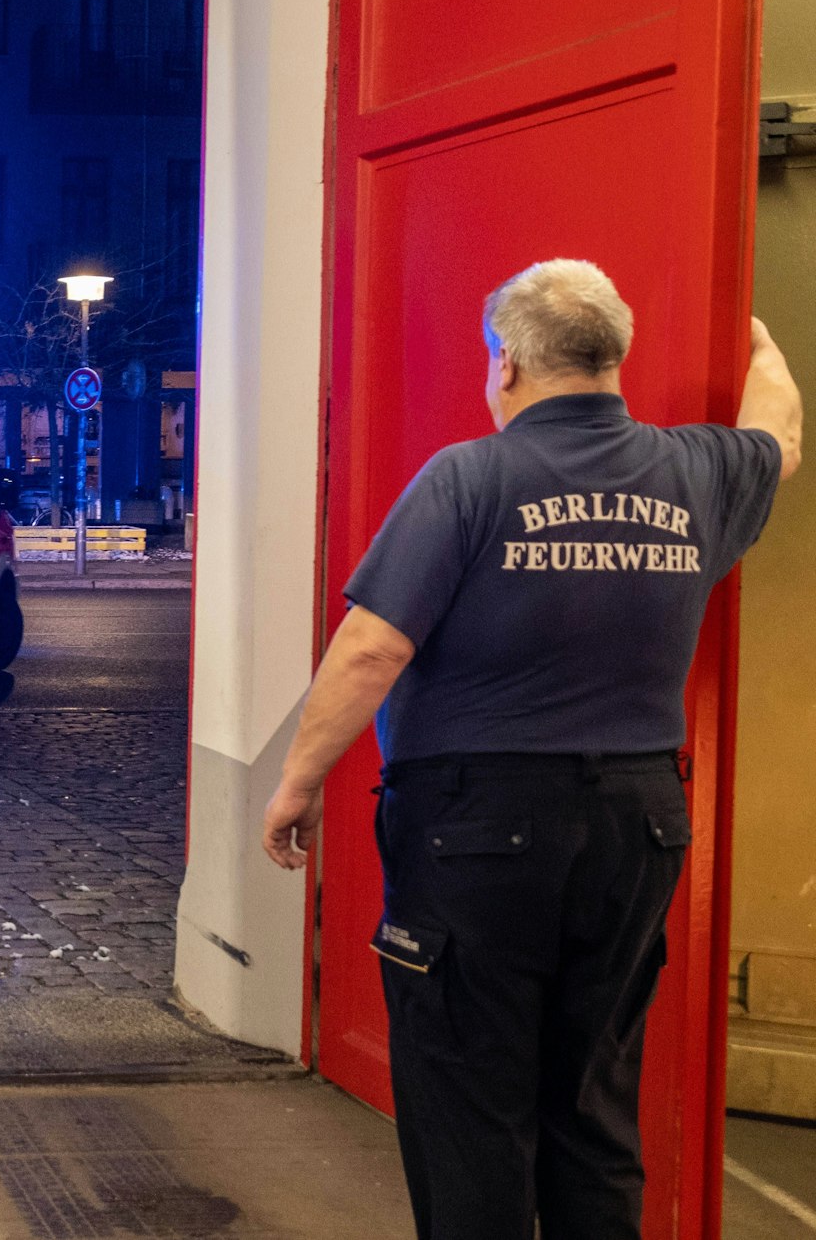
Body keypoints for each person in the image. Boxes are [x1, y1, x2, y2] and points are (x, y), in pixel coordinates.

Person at [260, 259, 802, 1239]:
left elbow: (371, 644)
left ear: (504, 364)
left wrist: (295, 783)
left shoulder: (469, 477)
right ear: (613, 356)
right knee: (590, 1099)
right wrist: (748, 325)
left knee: (471, 1106)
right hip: (637, 822)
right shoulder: (696, 471)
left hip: (476, 832)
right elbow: (779, 429)